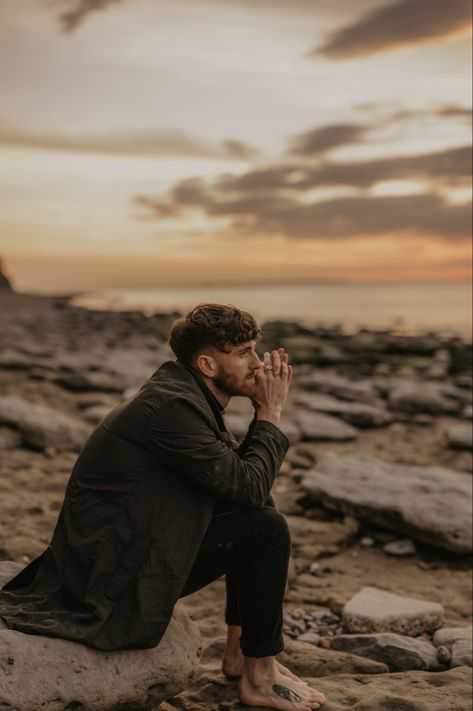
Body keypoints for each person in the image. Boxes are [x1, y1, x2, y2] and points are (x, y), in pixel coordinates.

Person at [0, 303, 326, 711]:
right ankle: (257, 677)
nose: (258, 365)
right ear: (207, 364)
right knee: (266, 528)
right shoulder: (171, 408)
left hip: (122, 552)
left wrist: (263, 421)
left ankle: (242, 655)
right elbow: (247, 487)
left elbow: (245, 489)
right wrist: (269, 412)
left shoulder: (184, 394)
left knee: (259, 510)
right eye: (244, 353)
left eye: (255, 351)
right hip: (106, 583)